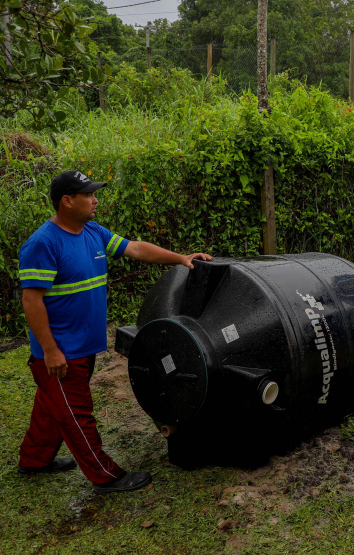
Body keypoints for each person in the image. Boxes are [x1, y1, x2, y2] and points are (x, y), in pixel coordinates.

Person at [17, 170, 212, 494]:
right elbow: (31, 300)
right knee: (76, 414)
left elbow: (135, 248)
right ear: (67, 201)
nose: (95, 200)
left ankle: (33, 459)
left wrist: (180, 258)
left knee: (52, 405)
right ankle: (106, 476)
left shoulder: (92, 231)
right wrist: (50, 351)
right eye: (88, 195)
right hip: (63, 351)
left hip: (84, 345)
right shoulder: (43, 244)